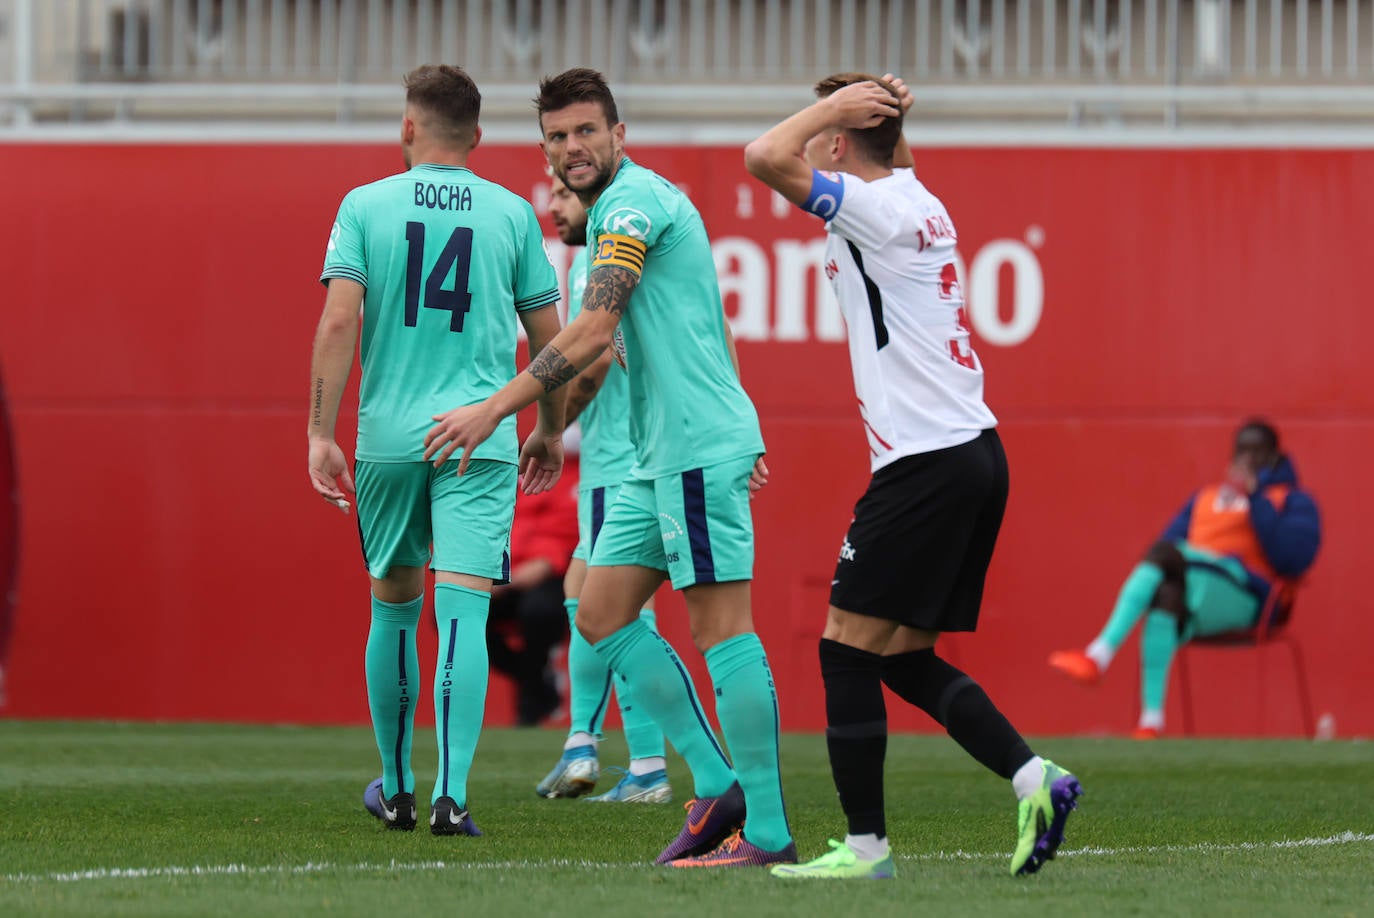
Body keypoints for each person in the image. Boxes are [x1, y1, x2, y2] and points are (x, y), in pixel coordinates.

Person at [420, 68, 794, 868]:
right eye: (557, 136)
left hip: (692, 449)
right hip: (659, 457)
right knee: (598, 612)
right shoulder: (618, 210)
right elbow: (697, 324)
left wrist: (498, 409)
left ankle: (764, 826)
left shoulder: (629, 206)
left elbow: (592, 330)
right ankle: (720, 784)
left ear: (618, 136)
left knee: (722, 629)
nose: (571, 148)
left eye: (586, 131)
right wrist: (556, 429)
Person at [742, 72, 1081, 880]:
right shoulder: (918, 196)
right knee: (898, 656)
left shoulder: (878, 209)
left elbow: (760, 156)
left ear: (836, 140)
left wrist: (831, 111)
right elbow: (880, 157)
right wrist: (879, 117)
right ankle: (1038, 779)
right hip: (973, 453)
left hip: (925, 462)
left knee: (843, 653)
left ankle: (865, 849)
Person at [307, 64, 565, 837]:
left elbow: (338, 323)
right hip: (478, 438)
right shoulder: (513, 213)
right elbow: (549, 338)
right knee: (461, 616)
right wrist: (549, 427)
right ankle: (453, 797)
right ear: (478, 137)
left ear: (408, 128)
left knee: (393, 610)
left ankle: (396, 787)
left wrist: (320, 431)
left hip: (388, 439)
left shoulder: (364, 206)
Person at [533, 173, 672, 803]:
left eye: (561, 195)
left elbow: (588, 364)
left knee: (616, 611)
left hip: (621, 460)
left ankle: (632, 760)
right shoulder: (626, 252)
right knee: (594, 600)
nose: (553, 205)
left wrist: (547, 428)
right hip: (637, 457)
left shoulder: (601, 257)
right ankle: (606, 754)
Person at [1049, 418, 1321, 738]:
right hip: (1196, 585)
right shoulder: (1205, 498)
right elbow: (1166, 547)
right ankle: (1152, 720)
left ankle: (1099, 654)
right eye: (1241, 451)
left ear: (1274, 456)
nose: (1247, 460)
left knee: (1166, 556)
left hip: (1249, 597)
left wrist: (1256, 499)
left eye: (1256, 452)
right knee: (1165, 592)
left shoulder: (1292, 501)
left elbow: (1292, 560)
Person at [486, 451, 580, 727]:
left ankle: (531, 701)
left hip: (554, 574)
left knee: (538, 612)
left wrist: (545, 563)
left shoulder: (581, 476)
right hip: (503, 571)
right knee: (458, 612)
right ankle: (537, 681)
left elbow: (570, 534)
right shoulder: (511, 477)